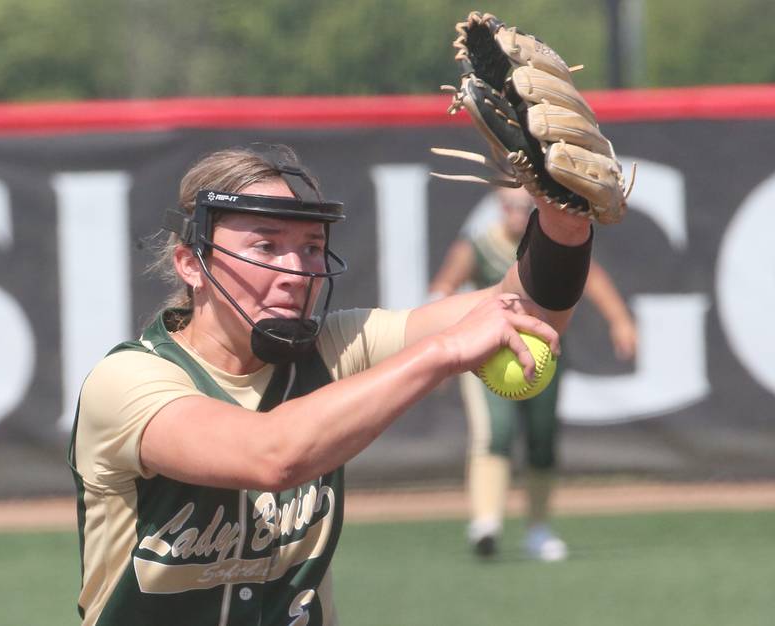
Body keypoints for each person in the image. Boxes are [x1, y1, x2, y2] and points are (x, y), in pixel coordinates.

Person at [68, 144, 595, 626]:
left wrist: (563, 225)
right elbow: (272, 456)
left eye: (311, 247)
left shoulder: (331, 347)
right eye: (266, 246)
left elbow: (525, 311)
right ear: (191, 263)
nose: (296, 271)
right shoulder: (129, 380)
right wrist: (446, 350)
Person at [429, 186, 637, 561]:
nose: (516, 211)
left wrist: (620, 320)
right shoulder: (477, 244)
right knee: (496, 434)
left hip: (543, 354)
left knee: (542, 440)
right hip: (491, 359)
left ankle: (538, 528)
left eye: (524, 205)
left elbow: (591, 277)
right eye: (510, 204)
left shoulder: (546, 242)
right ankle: (486, 522)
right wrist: (440, 341)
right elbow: (444, 287)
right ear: (499, 205)